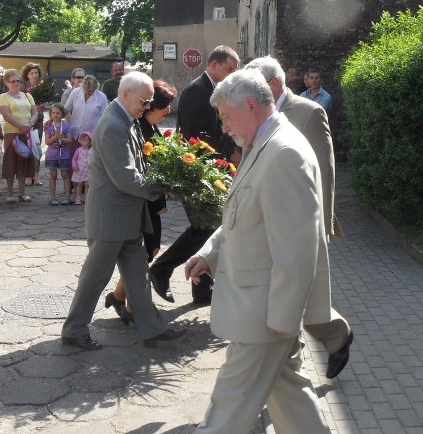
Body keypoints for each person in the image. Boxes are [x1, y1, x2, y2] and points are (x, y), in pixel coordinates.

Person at [184, 69, 331, 434]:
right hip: (262, 308)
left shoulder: (283, 153)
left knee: (227, 410)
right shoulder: (264, 143)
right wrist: (211, 253)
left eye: (226, 116)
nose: (225, 126)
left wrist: (282, 319)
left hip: (264, 315)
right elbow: (245, 215)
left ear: (250, 106)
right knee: (291, 400)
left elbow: (298, 248)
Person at [60, 71, 187, 351]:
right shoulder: (115, 125)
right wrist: (165, 187)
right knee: (96, 277)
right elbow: (127, 178)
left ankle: (151, 328)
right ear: (126, 94)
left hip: (126, 216)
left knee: (138, 273)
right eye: (144, 101)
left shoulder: (125, 118)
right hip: (111, 218)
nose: (147, 107)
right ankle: (74, 330)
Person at [245, 56, 353, 378]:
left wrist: (324, 223)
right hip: (267, 218)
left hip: (301, 222)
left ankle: (303, 359)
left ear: (273, 84)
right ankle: (333, 338)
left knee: (296, 293)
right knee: (290, 293)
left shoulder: (308, 113)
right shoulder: (257, 113)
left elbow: (325, 168)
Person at [151, 45, 239, 305]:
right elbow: (194, 135)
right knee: (205, 228)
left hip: (212, 170)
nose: (232, 75)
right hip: (197, 170)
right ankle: (161, 269)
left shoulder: (214, 90)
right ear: (214, 65)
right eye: (229, 69)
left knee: (209, 226)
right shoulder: (196, 91)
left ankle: (201, 290)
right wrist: (229, 151)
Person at [104, 80, 176, 324]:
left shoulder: (150, 127)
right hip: (143, 200)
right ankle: (132, 307)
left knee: (146, 252)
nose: (168, 110)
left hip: (151, 198)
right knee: (147, 250)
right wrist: (160, 194)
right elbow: (139, 174)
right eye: (165, 106)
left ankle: (120, 298)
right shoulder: (138, 127)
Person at [0, 69, 39, 204]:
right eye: (13, 81)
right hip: (12, 133)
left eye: (18, 81)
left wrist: (30, 124)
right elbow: (6, 115)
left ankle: (22, 193)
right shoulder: (4, 96)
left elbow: (34, 113)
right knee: (11, 162)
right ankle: (10, 193)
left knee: (24, 162)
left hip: (26, 133)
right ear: (6, 82)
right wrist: (22, 126)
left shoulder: (27, 96)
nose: (16, 83)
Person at [65, 74, 107, 157]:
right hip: (74, 134)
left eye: (91, 91)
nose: (88, 93)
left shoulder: (101, 97)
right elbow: (66, 110)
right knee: (73, 160)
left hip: (91, 137)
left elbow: (104, 117)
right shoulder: (75, 92)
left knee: (88, 163)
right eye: (86, 90)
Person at [21, 62, 45, 186]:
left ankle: (36, 175)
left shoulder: (42, 86)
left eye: (36, 73)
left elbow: (45, 101)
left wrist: (42, 107)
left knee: (37, 146)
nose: (35, 75)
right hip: (26, 121)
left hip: (39, 120)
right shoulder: (23, 87)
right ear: (27, 75)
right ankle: (27, 175)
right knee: (27, 147)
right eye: (32, 73)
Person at [44, 104, 73, 206]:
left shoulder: (66, 126)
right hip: (52, 155)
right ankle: (52, 197)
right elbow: (47, 142)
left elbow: (69, 140)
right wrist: (55, 138)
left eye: (58, 113)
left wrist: (61, 138)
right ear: (51, 114)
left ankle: (67, 197)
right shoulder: (48, 126)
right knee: (53, 175)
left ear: (62, 114)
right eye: (53, 113)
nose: (55, 115)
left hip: (64, 154)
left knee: (65, 174)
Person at [71, 131, 92, 205]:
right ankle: (78, 197)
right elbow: (74, 158)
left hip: (88, 170)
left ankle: (87, 198)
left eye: (84, 140)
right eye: (81, 140)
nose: (82, 142)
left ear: (90, 142)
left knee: (87, 184)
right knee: (79, 184)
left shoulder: (92, 151)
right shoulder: (79, 150)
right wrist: (74, 165)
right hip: (79, 170)